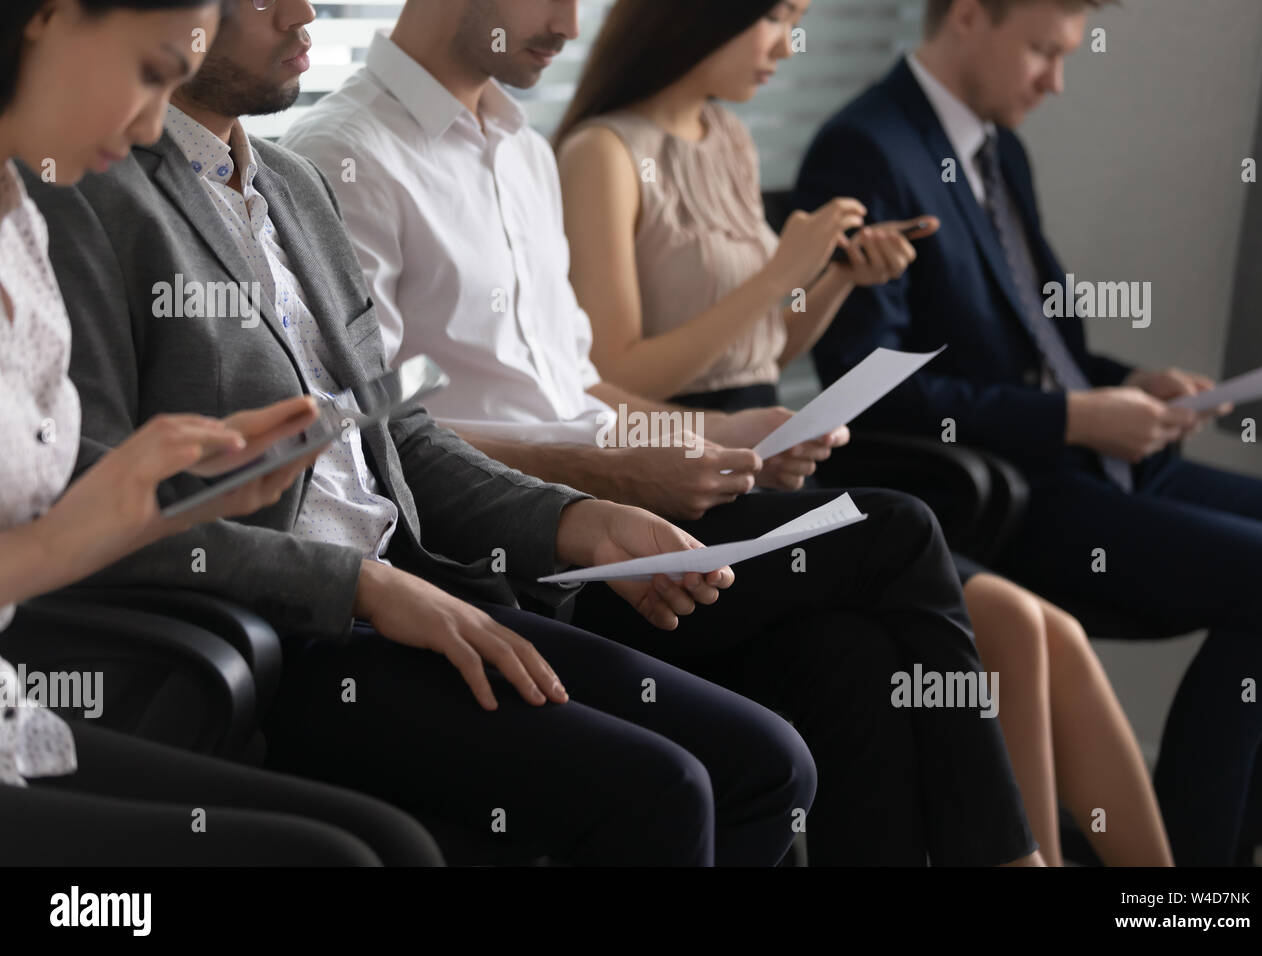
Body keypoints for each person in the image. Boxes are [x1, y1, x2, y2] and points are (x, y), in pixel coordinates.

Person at [25, 0, 819, 866]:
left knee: (768, 764)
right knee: (664, 789)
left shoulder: (294, 184)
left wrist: (573, 517)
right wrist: (357, 585)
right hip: (281, 624)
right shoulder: (85, 191)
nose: (302, 16)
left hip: (415, 583)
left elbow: (394, 429)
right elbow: (86, 496)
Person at [282, 0, 1045, 865]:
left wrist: (720, 433)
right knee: (898, 532)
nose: (573, 27)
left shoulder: (521, 150)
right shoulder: (340, 162)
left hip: (609, 502)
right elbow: (382, 447)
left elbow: (576, 384)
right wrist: (615, 477)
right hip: (518, 549)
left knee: (848, 656)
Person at [555, 0, 1172, 867]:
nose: (786, 46)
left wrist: (835, 279)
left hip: (767, 463)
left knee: (1040, 629)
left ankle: (1176, 900)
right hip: (679, 474)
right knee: (980, 621)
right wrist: (779, 275)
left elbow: (769, 341)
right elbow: (612, 369)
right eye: (774, 19)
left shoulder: (726, 139)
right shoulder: (601, 156)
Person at [793, 0, 1262, 865]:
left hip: (1089, 453)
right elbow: (869, 392)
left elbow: (1032, 344)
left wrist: (1121, 386)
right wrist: (1075, 416)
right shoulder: (867, 147)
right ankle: (1191, 866)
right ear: (966, 18)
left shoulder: (1000, 150)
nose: (1056, 80)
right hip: (1004, 488)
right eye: (1041, 51)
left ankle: (1241, 836)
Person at [0, 0, 443, 866]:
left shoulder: (20, 220)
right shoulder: (69, 212)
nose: (153, 124)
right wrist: (120, 516)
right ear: (49, 16)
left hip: (15, 710)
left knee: (387, 845)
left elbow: (48, 528)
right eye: (152, 70)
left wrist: (174, 493)